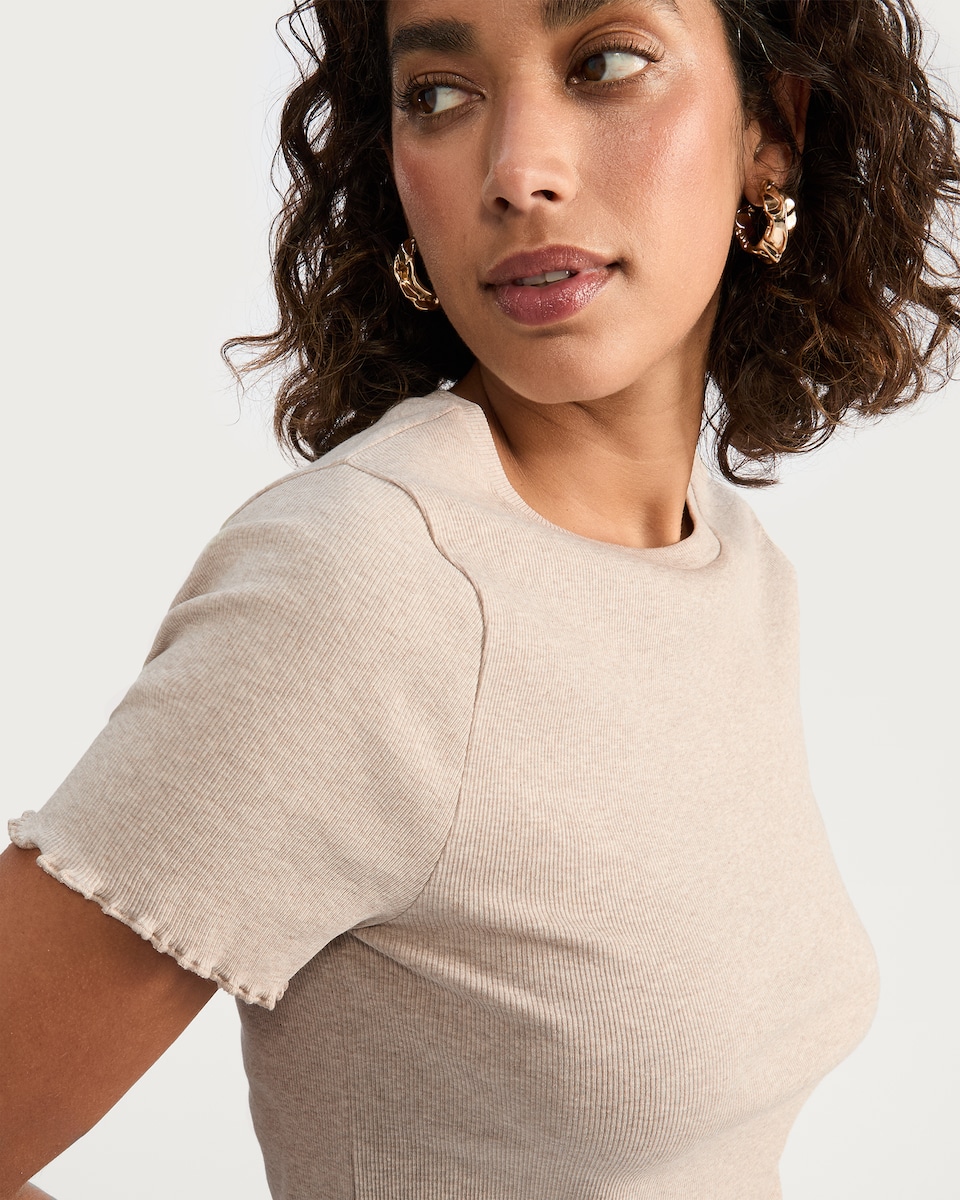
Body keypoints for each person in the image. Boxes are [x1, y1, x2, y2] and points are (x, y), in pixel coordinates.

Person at [2, 0, 958, 1197]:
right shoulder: (365, 582)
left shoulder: (728, 557)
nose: (517, 173)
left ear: (771, 130)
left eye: (606, 62)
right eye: (439, 96)